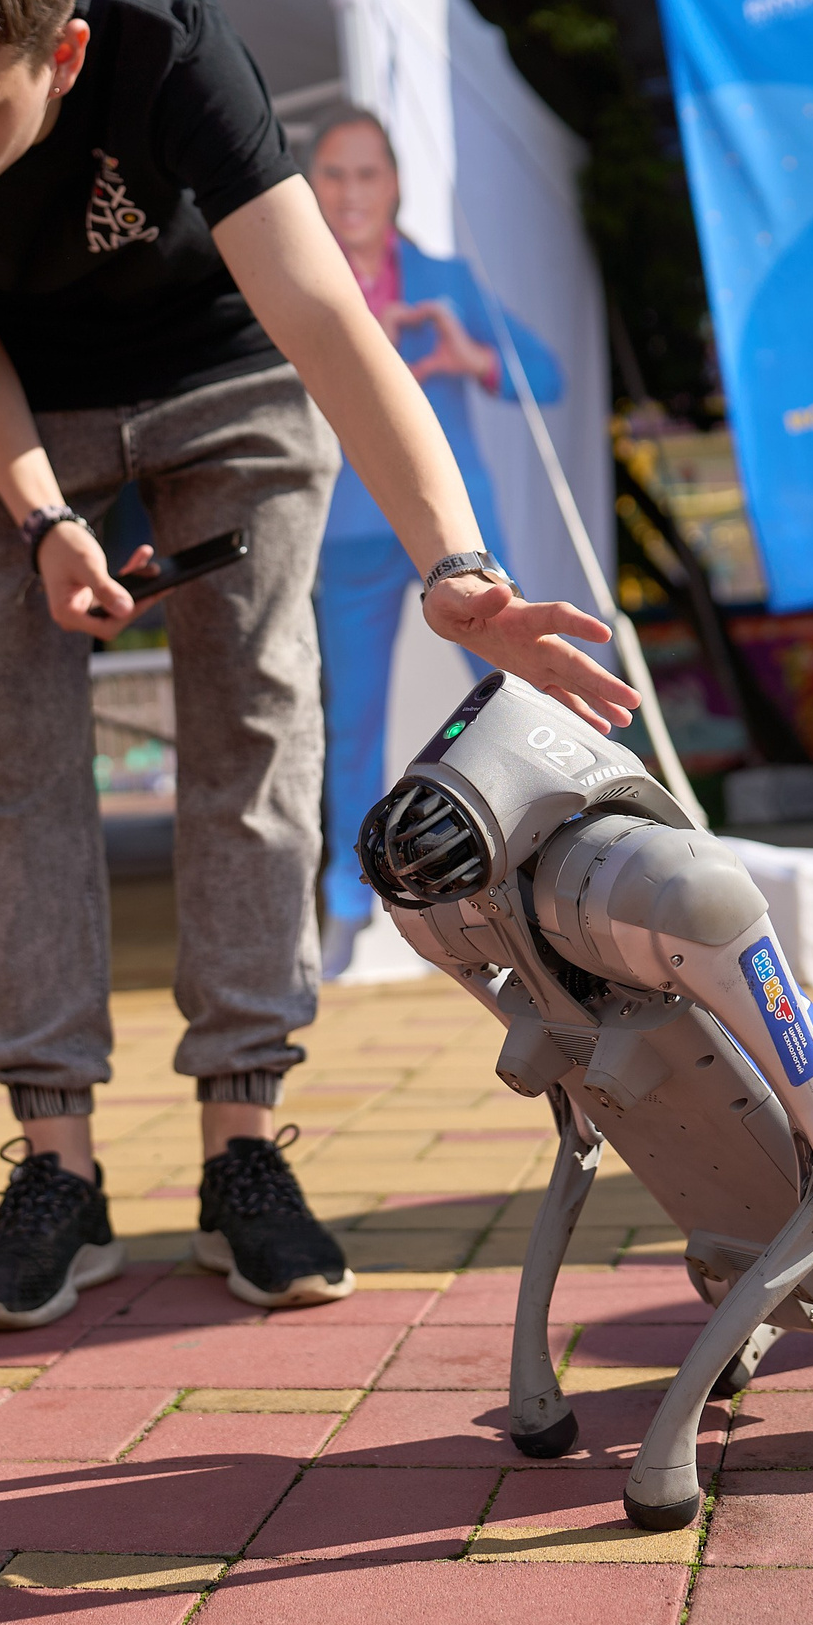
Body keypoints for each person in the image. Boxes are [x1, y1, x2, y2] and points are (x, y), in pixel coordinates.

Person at [0, 0, 637, 1329]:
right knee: (12, 749)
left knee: (254, 721)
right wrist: (45, 516)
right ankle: (56, 1165)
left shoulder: (168, 51)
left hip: (224, 375)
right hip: (6, 400)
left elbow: (324, 318)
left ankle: (244, 1135)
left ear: (62, 56)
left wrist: (456, 568)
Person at [304, 107, 565, 976]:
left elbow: (549, 376)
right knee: (352, 723)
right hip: (341, 529)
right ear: (309, 188)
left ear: (396, 184)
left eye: (366, 173)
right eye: (332, 175)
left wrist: (472, 360)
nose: (349, 193)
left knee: (519, 694)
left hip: (449, 534)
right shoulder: (297, 287)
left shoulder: (446, 283)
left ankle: (573, 857)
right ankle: (347, 907)